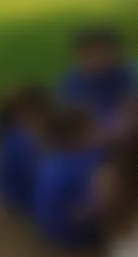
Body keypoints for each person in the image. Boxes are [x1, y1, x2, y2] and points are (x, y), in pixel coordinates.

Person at [33, 104, 104, 248]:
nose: (97, 131)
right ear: (75, 135)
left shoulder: (58, 155)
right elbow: (80, 214)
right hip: (69, 235)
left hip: (51, 228)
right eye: (90, 128)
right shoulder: (71, 170)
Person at [58, 27, 136, 132]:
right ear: (81, 55)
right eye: (92, 53)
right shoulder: (73, 83)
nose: (98, 58)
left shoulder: (122, 73)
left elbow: (128, 105)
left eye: (105, 52)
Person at [0, 84, 52, 214]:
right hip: (21, 201)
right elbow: (40, 176)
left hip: (11, 193)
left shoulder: (9, 132)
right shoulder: (19, 142)